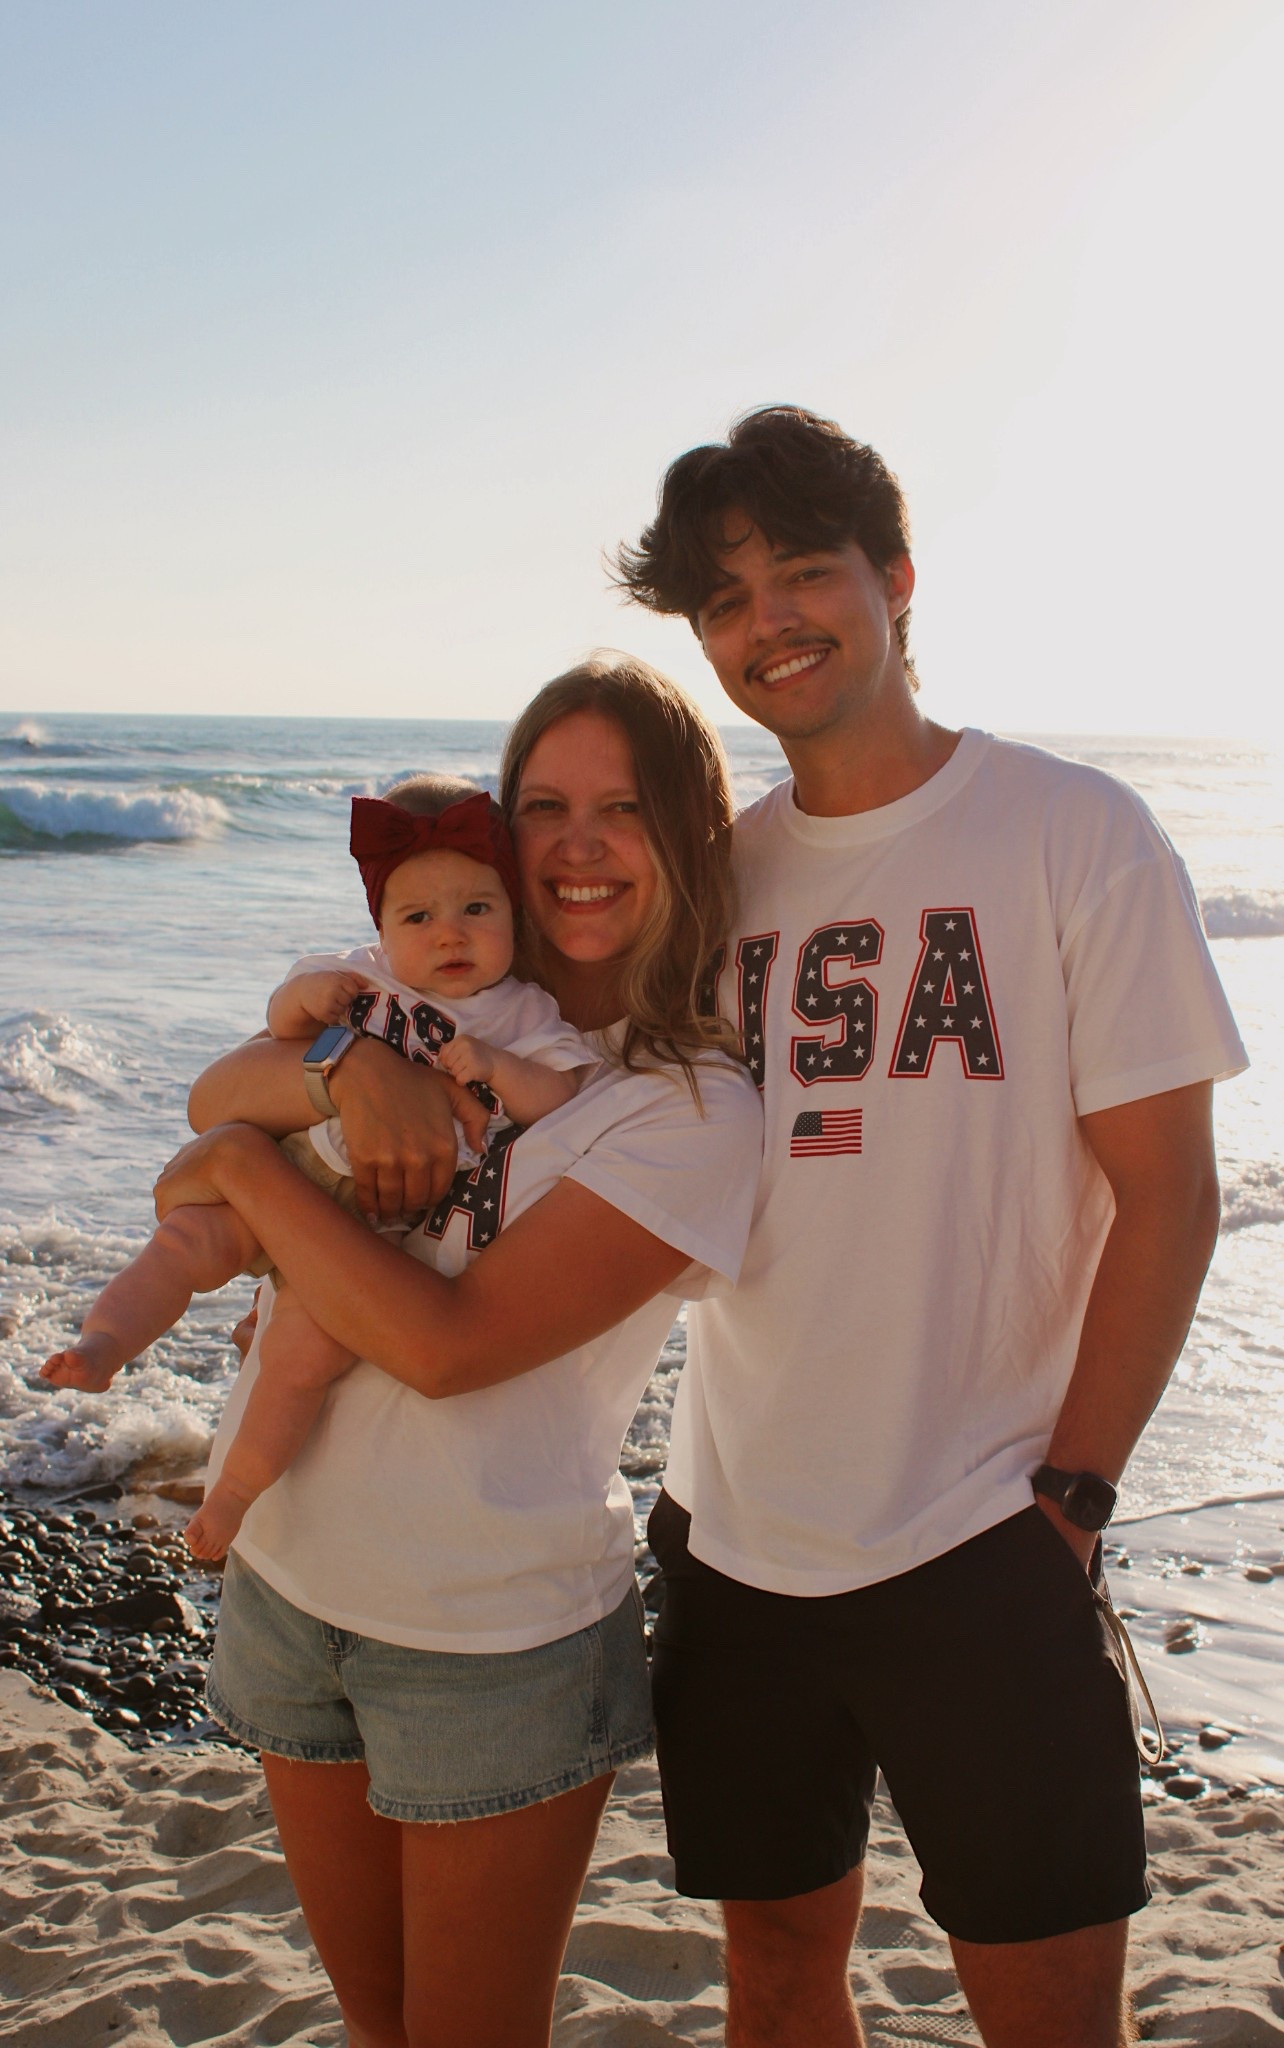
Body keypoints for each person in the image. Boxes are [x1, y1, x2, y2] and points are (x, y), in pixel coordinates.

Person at [613, 405, 1248, 2048]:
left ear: (895, 579)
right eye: (726, 601)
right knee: (774, 1973)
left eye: (804, 575)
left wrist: (1075, 1496)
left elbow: (1170, 1194)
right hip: (736, 1535)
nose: (769, 623)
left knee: (1050, 2013)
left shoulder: (1070, 831)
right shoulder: (714, 879)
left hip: (987, 1529)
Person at [152, 656, 763, 2048]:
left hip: (488, 1637)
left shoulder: (683, 1103)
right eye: (545, 804)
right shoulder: (420, 996)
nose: (580, 843)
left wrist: (247, 1180)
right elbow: (210, 1099)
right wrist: (347, 1070)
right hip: (290, 1577)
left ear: (689, 830)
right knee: (377, 2028)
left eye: (626, 805)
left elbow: (443, 1346)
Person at [41, 775, 595, 1563]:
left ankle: (231, 1495)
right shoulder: (358, 977)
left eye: (477, 909)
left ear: (514, 914)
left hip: (375, 1228)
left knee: (302, 1359)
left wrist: (500, 1068)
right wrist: (306, 994)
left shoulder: (523, 1013)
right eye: (418, 917)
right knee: (186, 1241)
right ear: (380, 928)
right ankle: (103, 1345)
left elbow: (560, 1094)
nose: (449, 934)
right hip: (296, 1166)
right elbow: (276, 1028)